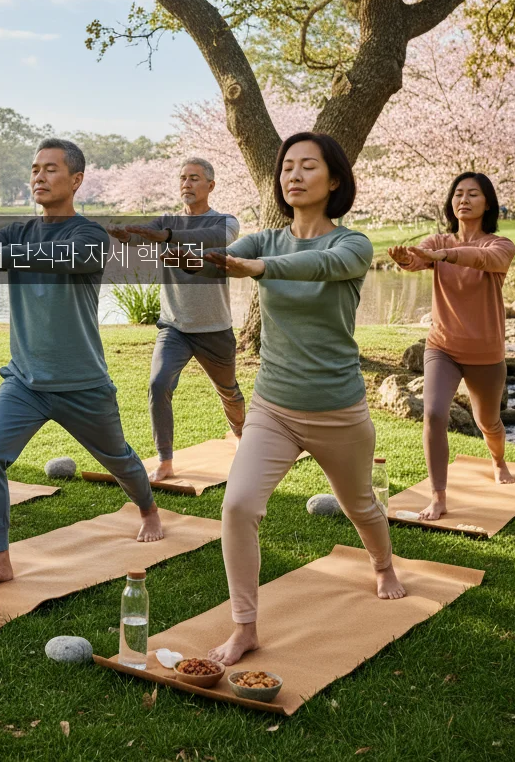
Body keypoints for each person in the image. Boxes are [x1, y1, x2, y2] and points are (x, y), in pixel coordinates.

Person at [192, 132, 406, 666]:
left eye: (308, 166)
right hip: (273, 409)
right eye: (287, 166)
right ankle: (244, 628)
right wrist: (189, 254)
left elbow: (317, 267)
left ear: (334, 180)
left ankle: (382, 563)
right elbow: (222, 259)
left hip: (339, 411)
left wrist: (259, 269)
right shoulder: (263, 239)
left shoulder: (352, 245)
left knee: (360, 505)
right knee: (238, 506)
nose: (293, 174)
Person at [0, 138, 162, 594]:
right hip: (25, 382)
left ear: (76, 180)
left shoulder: (89, 236)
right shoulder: (16, 232)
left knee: (120, 459)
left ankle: (147, 509)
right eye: (34, 169)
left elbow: (59, 260)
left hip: (82, 382)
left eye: (50, 169)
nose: (39, 177)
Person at [388, 172, 515, 520]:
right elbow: (418, 261)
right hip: (442, 346)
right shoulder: (437, 240)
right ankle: (438, 496)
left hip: (486, 352)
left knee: (488, 422)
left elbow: (482, 259)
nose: (463, 199)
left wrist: (443, 254)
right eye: (458, 193)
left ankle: (498, 459)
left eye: (472, 194)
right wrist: (405, 259)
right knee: (433, 414)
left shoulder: (500, 245)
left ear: (487, 202)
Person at [107, 158, 244, 480]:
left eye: (194, 178)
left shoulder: (225, 221)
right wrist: (125, 235)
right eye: (182, 178)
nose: (186, 183)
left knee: (229, 391)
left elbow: (213, 237)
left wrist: (166, 236)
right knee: (158, 384)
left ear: (210, 185)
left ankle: (240, 434)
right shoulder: (166, 219)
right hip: (174, 326)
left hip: (214, 327)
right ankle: (165, 460)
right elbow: (144, 237)